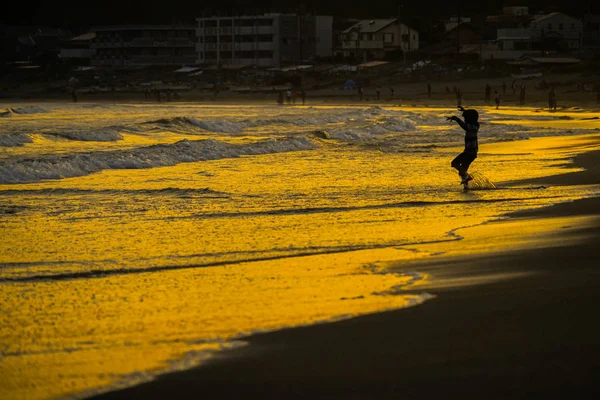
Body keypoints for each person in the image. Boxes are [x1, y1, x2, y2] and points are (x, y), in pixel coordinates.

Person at [447, 106, 479, 185]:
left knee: (454, 163)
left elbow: (465, 126)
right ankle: (466, 187)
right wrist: (464, 111)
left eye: (466, 118)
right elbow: (469, 120)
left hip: (469, 152)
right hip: (472, 153)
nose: (464, 120)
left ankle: (466, 176)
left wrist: (456, 118)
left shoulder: (472, 127)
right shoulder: (476, 125)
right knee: (462, 171)